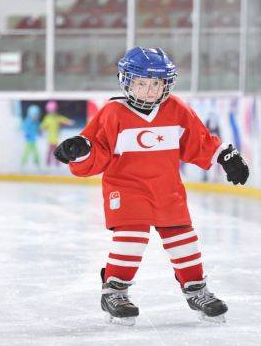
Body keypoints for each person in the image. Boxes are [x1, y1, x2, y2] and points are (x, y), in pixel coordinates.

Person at [54, 47, 249, 325]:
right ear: (127, 81)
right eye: (141, 83)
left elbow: (199, 142)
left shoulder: (177, 110)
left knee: (183, 239)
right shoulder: (112, 113)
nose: (149, 90)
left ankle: (196, 289)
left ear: (166, 84)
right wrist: (80, 149)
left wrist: (225, 156)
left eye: (156, 83)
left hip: (166, 188)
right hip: (126, 188)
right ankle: (114, 291)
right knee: (132, 238)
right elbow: (96, 154)